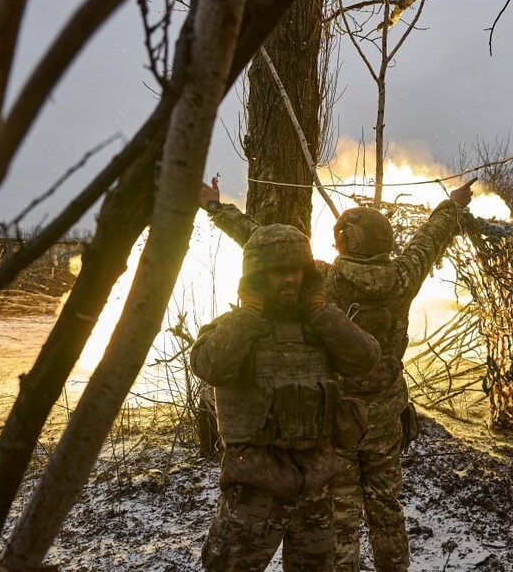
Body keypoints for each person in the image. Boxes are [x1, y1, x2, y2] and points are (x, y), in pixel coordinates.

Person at [199, 177, 473, 571]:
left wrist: (216, 208)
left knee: (341, 515)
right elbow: (430, 239)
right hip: (385, 419)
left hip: (335, 419)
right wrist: (452, 204)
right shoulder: (403, 278)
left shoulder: (324, 279)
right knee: (387, 506)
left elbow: (262, 241)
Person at [191, 224, 380, 571]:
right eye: (278, 271)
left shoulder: (321, 326)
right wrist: (248, 314)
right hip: (255, 489)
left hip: (316, 487)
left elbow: (366, 360)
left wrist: (322, 313)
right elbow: (209, 365)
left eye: (295, 270)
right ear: (257, 276)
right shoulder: (237, 326)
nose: (290, 279)